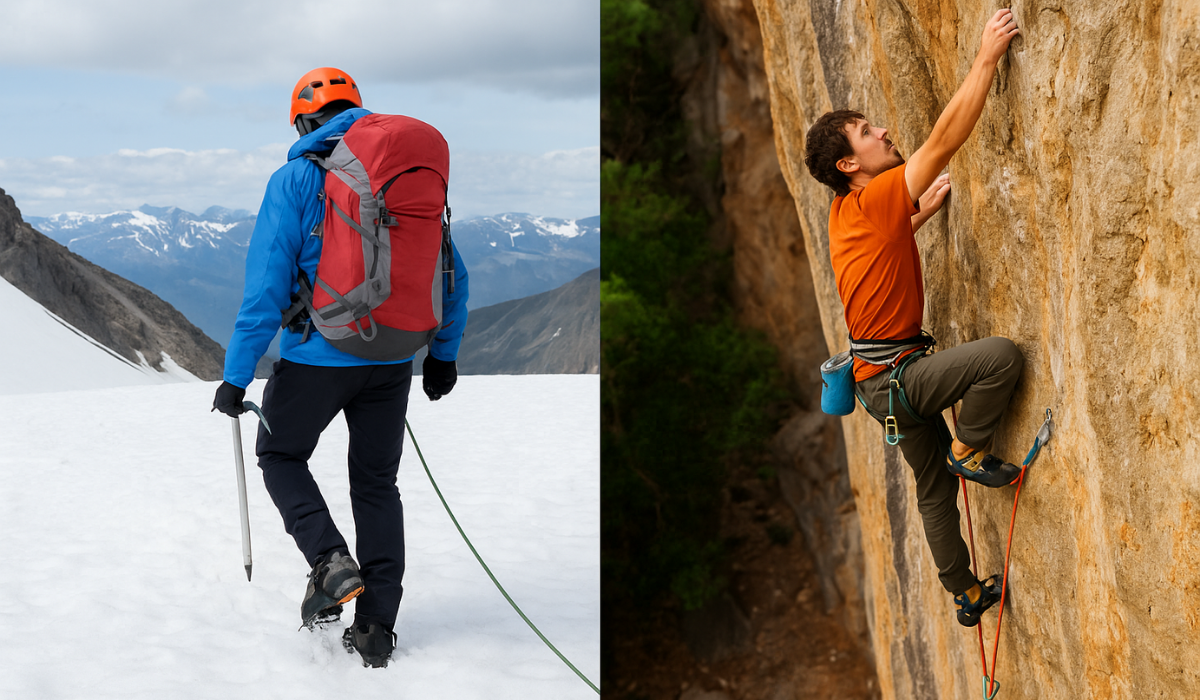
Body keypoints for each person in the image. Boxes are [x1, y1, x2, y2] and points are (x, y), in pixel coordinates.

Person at [212, 66, 469, 668]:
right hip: (392, 358)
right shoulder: (400, 176)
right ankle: (377, 626)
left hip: (316, 358)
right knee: (377, 485)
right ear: (357, 111)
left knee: (280, 455)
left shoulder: (297, 177)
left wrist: (237, 374)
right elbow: (449, 270)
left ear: (302, 122)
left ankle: (328, 562)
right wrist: (443, 355)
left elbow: (266, 289)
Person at [803, 10, 1022, 627]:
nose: (882, 132)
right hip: (901, 379)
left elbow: (879, 252)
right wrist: (986, 57)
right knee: (1000, 359)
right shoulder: (874, 197)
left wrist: (918, 213)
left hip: (881, 388)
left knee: (932, 495)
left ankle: (966, 594)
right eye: (867, 133)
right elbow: (945, 140)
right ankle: (971, 451)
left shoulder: (847, 214)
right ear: (849, 164)